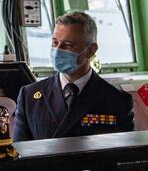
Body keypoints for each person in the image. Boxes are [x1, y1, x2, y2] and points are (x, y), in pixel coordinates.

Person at [13, 12, 134, 142]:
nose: (57, 50)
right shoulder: (29, 96)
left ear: (91, 50)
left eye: (68, 45)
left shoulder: (116, 100)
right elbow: (21, 152)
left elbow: (123, 154)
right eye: (55, 43)